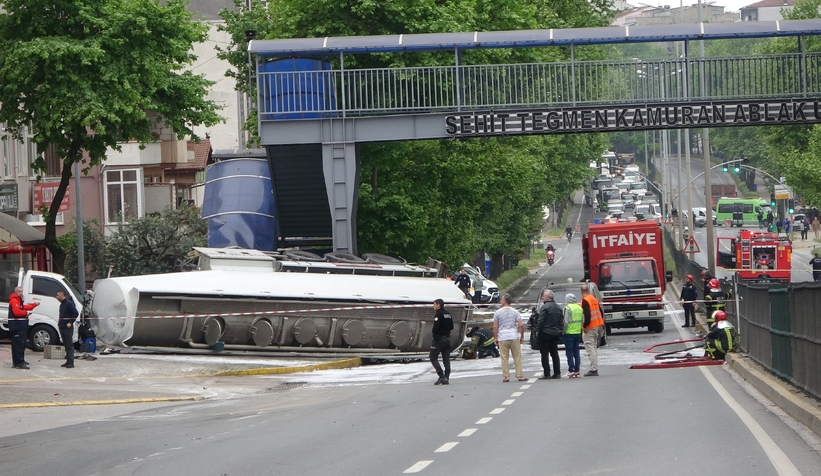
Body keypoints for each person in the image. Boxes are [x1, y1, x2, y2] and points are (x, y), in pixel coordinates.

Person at [493, 294, 525, 382]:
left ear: (505, 301)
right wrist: (521, 336)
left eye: (501, 300)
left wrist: (495, 337)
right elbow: (521, 325)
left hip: (503, 337)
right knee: (517, 356)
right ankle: (519, 375)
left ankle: (506, 376)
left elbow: (495, 327)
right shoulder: (515, 312)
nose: (500, 301)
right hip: (514, 336)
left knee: (504, 357)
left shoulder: (498, 312)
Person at [8, 286, 39, 369]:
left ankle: (19, 361)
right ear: (15, 292)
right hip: (17, 327)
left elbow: (24, 307)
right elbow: (17, 312)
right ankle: (19, 362)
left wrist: (34, 305)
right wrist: (26, 313)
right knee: (18, 345)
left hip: (21, 326)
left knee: (21, 344)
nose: (21, 293)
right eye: (19, 291)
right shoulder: (14, 300)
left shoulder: (18, 301)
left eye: (21, 291)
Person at [537, 289, 562, 379]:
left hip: (545, 332)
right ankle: (557, 372)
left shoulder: (544, 307)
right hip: (555, 333)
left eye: (543, 295)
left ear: (548, 297)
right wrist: (559, 330)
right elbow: (560, 320)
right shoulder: (558, 307)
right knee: (554, 353)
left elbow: (541, 321)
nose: (542, 297)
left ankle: (547, 373)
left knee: (544, 353)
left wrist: (538, 330)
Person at [580, 284, 604, 377]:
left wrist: (585, 326)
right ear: (588, 291)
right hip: (596, 325)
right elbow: (600, 313)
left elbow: (587, 315)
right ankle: (594, 367)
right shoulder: (594, 299)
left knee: (590, 348)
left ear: (581, 291)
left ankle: (593, 369)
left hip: (589, 327)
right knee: (593, 347)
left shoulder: (585, 300)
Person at [429, 299, 453, 385]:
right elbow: (451, 327)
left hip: (439, 340)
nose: (433, 306)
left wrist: (435, 337)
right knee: (446, 359)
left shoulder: (438, 314)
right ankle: (446, 377)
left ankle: (441, 375)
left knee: (432, 357)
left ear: (438, 305)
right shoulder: (448, 314)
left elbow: (435, 328)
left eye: (434, 304)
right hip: (447, 339)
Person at [562, 293, 583, 378]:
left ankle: (571, 370)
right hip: (578, 332)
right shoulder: (579, 308)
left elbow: (565, 322)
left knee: (569, 353)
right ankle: (577, 370)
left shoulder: (567, 308)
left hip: (569, 332)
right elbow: (583, 320)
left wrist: (563, 331)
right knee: (576, 352)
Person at [56, 290, 79, 369]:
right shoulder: (62, 304)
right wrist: (59, 323)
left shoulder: (69, 303)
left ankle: (71, 362)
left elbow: (75, 313)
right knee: (65, 344)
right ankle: (67, 360)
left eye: (58, 295)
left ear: (63, 295)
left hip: (67, 327)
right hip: (62, 327)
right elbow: (61, 315)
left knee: (69, 345)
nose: (57, 297)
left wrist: (70, 322)